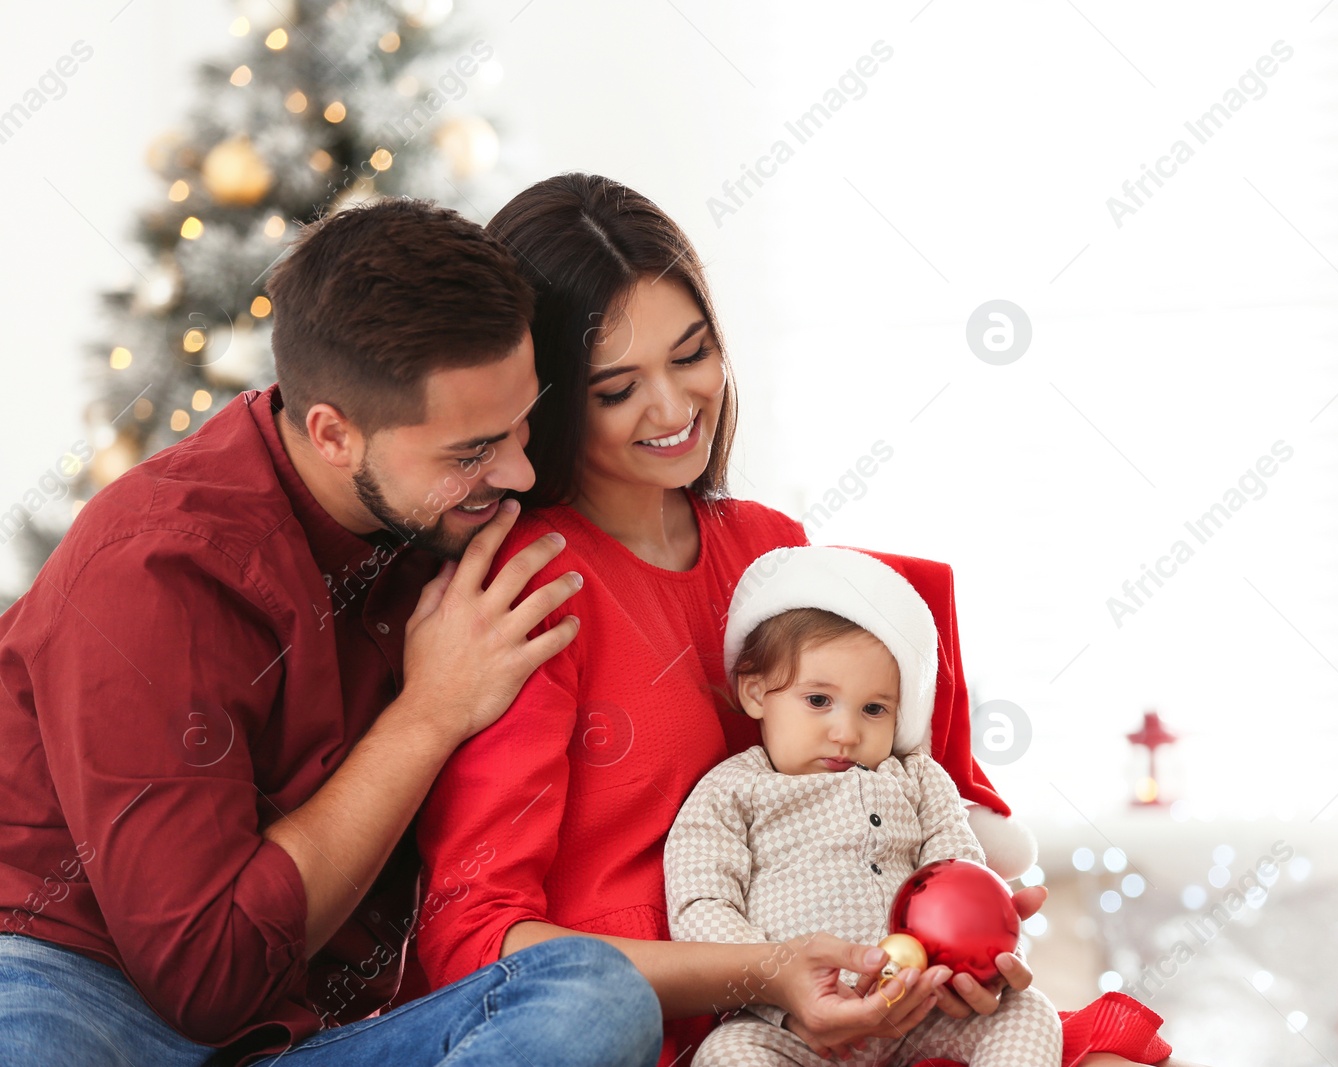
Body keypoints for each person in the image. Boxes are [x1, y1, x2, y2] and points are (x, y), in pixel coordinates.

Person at [412, 173, 1169, 1067]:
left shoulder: (774, 553)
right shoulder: (528, 585)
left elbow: (878, 780)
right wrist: (763, 973)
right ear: (545, 399)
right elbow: (473, 940)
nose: (672, 407)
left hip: (858, 1003)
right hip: (663, 1034)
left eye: (690, 353)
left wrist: (953, 921)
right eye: (617, 389)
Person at [0, 198, 661, 1066]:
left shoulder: (448, 525)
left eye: (521, 426)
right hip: (73, 985)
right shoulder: (154, 569)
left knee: (594, 994)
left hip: (300, 1035)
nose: (519, 472)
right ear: (334, 434)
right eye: (470, 452)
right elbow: (205, 977)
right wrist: (429, 714)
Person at [665, 546, 1066, 1066]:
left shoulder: (916, 778)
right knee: (727, 1054)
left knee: (1028, 1010)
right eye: (818, 701)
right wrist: (776, 983)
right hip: (792, 1025)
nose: (846, 733)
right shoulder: (730, 791)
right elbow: (701, 906)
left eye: (874, 709)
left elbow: (955, 866)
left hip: (922, 1004)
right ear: (756, 691)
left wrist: (982, 935)